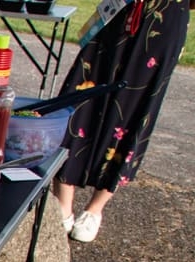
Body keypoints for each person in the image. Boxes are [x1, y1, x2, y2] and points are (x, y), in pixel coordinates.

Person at [53, 0, 190, 243]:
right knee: (81, 94)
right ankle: (63, 202)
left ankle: (95, 209)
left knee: (136, 110)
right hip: (117, 12)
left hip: (164, 20)